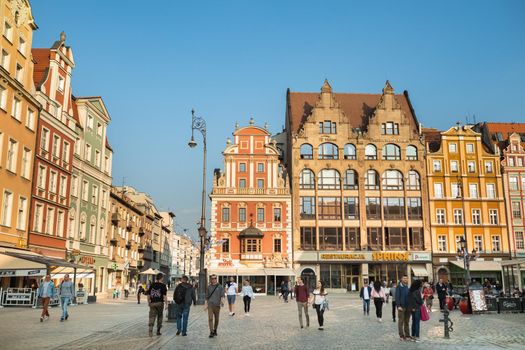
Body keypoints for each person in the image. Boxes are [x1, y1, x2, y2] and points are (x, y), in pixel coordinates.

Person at [146, 273, 168, 337]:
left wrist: (149, 302)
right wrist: (166, 304)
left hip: (152, 303)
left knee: (151, 316)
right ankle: (158, 331)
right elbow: (164, 296)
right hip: (160, 303)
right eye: (162, 277)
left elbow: (148, 295)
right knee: (160, 316)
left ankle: (150, 329)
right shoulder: (163, 286)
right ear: (161, 278)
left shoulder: (152, 285)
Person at [395, 275, 411, 341]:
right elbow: (397, 297)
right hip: (401, 307)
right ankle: (401, 335)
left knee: (406, 322)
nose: (405, 279)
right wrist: (398, 306)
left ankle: (407, 335)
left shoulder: (407, 287)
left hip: (408, 307)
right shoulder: (399, 287)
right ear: (401, 279)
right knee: (401, 322)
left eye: (406, 278)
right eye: (404, 278)